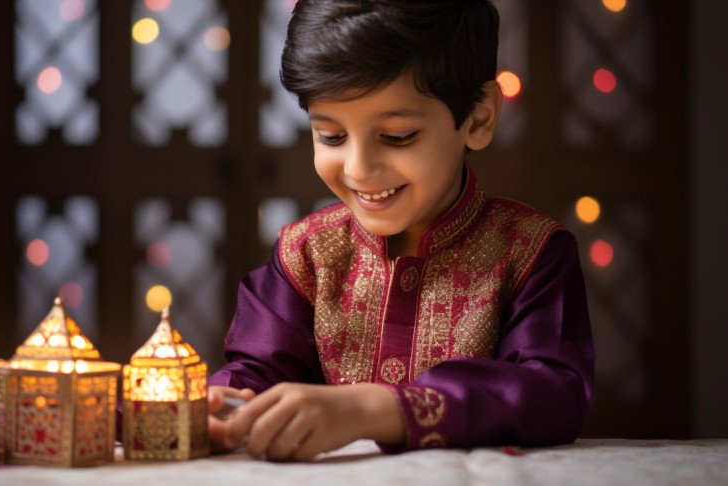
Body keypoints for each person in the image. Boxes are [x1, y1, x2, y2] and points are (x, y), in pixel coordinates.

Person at [206, 0, 594, 461]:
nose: (359, 168)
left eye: (397, 136)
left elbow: (553, 394)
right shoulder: (306, 254)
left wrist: (377, 409)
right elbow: (254, 373)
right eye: (331, 136)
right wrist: (220, 406)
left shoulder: (531, 253)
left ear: (479, 117)